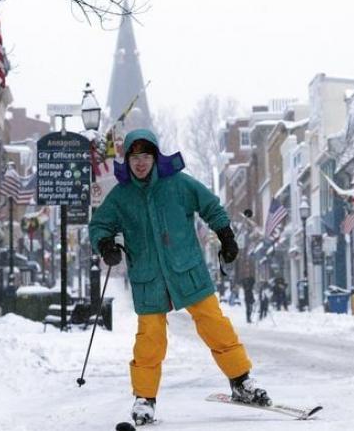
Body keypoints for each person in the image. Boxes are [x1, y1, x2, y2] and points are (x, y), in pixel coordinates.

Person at [89, 129, 271, 426]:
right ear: (128, 160)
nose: (141, 163)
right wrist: (106, 245)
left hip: (187, 269)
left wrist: (225, 235)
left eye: (146, 156)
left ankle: (241, 382)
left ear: (155, 157)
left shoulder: (178, 184)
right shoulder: (121, 196)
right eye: (135, 157)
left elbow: (210, 205)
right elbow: (99, 226)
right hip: (148, 278)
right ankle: (144, 399)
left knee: (214, 324)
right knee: (150, 338)